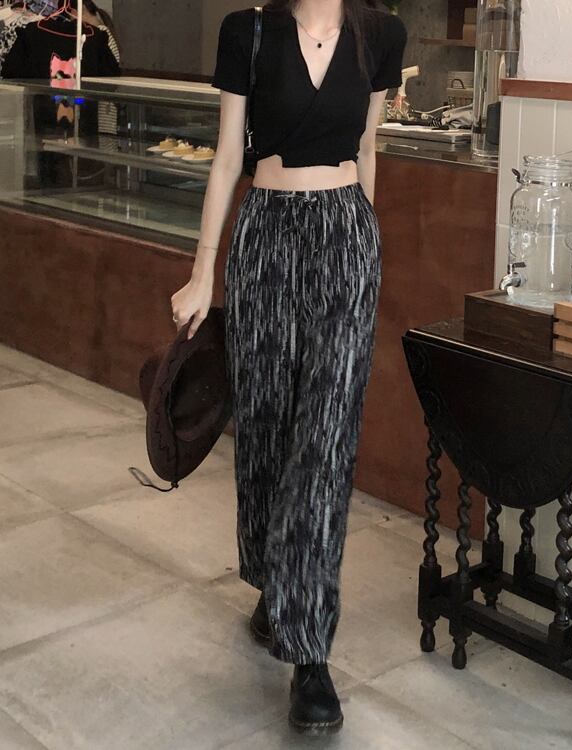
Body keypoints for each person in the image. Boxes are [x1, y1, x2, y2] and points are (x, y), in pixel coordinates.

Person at [170, 0, 406, 735]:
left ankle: (310, 654)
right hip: (266, 238)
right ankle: (275, 584)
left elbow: (367, 148)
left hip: (346, 239)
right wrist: (203, 272)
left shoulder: (380, 34)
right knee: (267, 426)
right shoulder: (248, 30)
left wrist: (365, 251)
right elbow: (227, 158)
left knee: (325, 442)